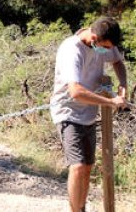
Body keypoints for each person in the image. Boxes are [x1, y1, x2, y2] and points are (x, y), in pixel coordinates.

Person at [50, 16, 129, 212]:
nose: (108, 51)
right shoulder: (72, 50)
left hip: (89, 112)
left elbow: (118, 62)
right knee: (77, 166)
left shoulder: (103, 45)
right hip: (68, 111)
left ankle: (81, 207)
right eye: (105, 47)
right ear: (94, 38)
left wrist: (123, 85)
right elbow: (75, 92)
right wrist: (110, 102)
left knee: (87, 167)